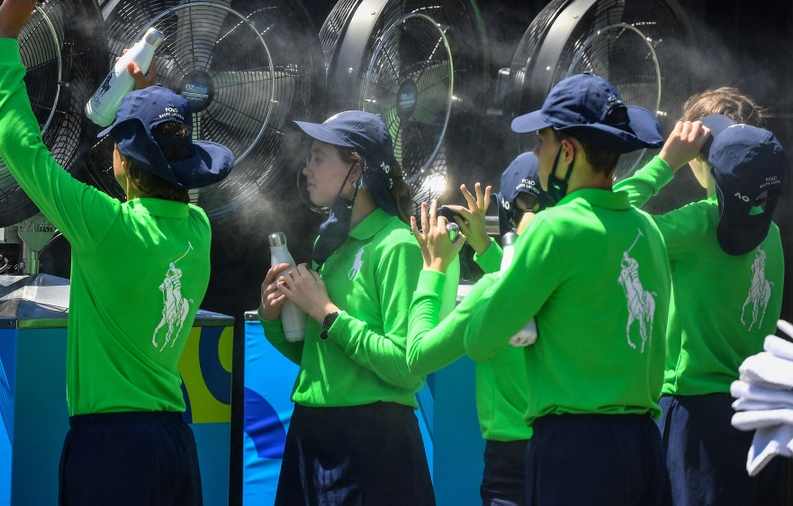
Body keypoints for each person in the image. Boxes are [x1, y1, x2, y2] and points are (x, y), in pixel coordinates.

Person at [0, 0, 234, 505]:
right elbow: (160, 178)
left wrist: (5, 41)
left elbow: (20, 147)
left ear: (122, 157)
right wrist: (145, 105)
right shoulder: (199, 229)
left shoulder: (105, 227)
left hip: (111, 451)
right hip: (176, 443)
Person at [452, 72, 672, 505]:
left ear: (567, 151)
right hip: (647, 444)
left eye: (541, 143)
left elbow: (479, 341)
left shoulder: (553, 228)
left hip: (576, 452)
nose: (536, 155)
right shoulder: (648, 229)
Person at [614, 87, 788, 506]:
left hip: (696, 413)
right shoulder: (774, 235)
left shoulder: (697, 226)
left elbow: (603, 220)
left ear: (698, 153)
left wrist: (662, 165)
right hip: (760, 411)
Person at [258, 110, 434, 504]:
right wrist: (274, 320)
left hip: (374, 444)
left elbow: (406, 367)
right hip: (313, 433)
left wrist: (326, 312)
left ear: (356, 171)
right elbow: (318, 357)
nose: (306, 168)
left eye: (319, 157)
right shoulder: (331, 245)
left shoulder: (396, 244)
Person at [407, 152, 552, 506]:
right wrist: (487, 251)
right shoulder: (587, 277)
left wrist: (434, 268)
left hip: (512, 465)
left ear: (502, 215)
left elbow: (418, 355)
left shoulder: (491, 293)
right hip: (576, 450)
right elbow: (522, 283)